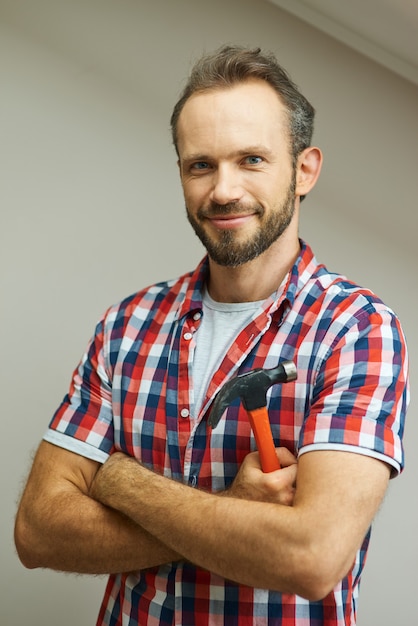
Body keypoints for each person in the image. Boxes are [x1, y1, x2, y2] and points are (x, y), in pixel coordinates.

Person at [15, 45, 409, 626]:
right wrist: (234, 512)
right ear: (181, 173)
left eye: (251, 160)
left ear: (304, 170)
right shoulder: (127, 325)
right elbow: (38, 530)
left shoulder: (356, 329)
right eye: (201, 164)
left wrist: (120, 483)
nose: (223, 190)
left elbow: (311, 556)